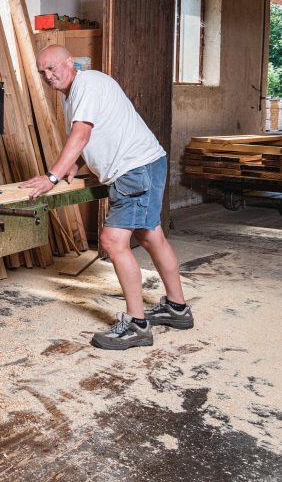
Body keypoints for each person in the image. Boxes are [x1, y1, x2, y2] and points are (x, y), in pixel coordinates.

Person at [20, 44, 193, 350]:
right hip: (144, 164)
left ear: (70, 62)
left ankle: (137, 325)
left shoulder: (86, 85)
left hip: (134, 169)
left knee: (113, 242)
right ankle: (177, 308)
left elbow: (82, 134)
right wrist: (75, 164)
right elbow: (96, 134)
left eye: (52, 68)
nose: (48, 76)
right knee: (151, 236)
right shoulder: (74, 93)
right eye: (42, 71)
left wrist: (51, 177)